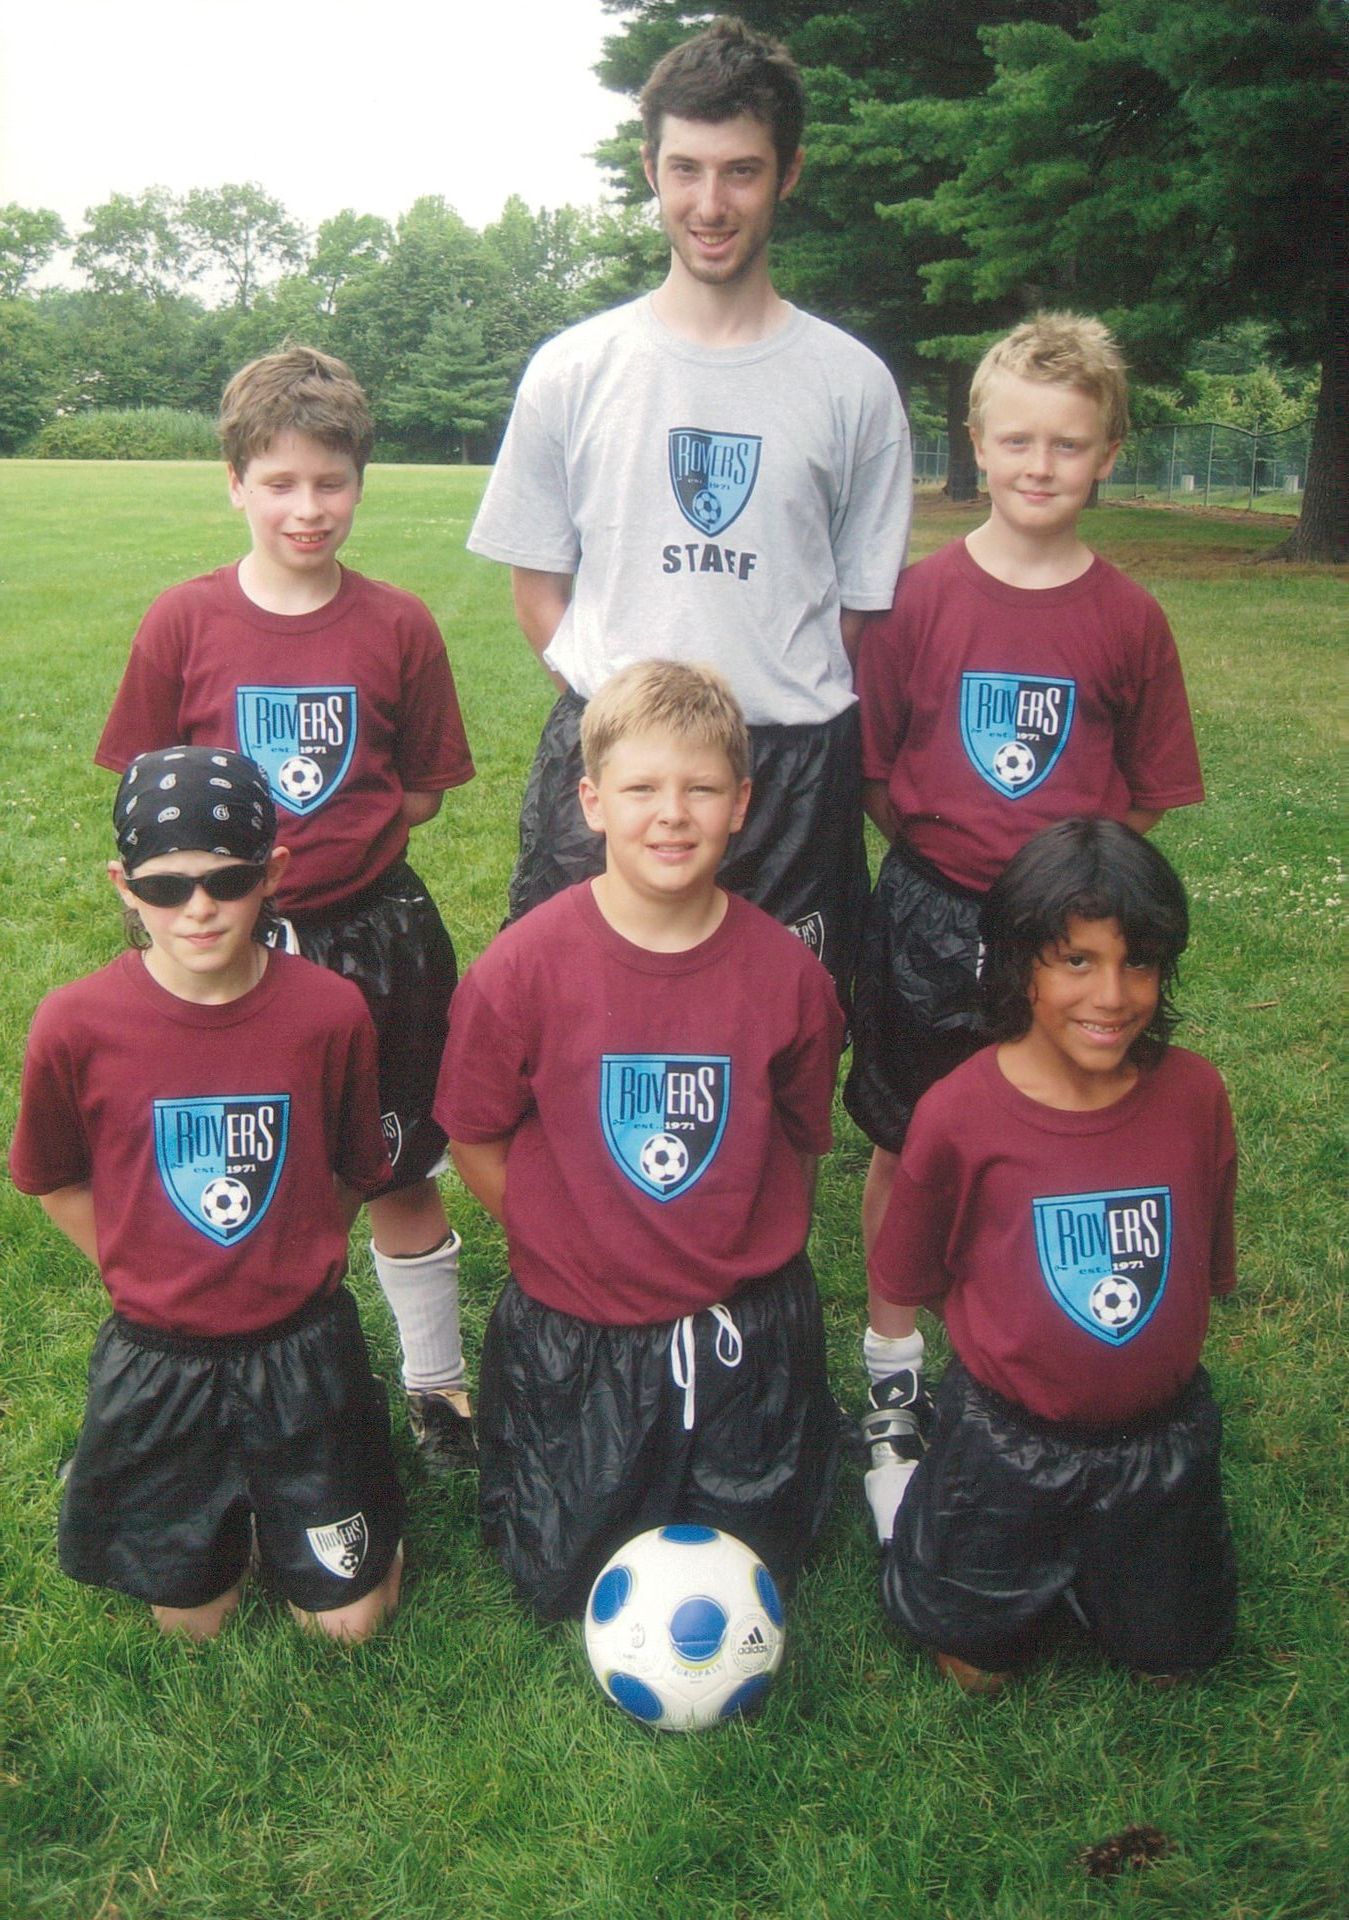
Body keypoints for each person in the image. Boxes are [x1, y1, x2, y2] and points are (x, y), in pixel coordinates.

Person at [843, 313, 1206, 1545]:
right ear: (975, 442)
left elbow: (1144, 790)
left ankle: (1011, 1361)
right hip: (929, 911)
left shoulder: (1128, 619)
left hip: (1067, 936)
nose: (1038, 465)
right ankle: (892, 1375)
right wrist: (949, 866)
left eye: (1066, 443)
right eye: (1015, 440)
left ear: (1106, 453)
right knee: (907, 1136)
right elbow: (876, 769)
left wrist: (1062, 893)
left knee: (1052, 1142)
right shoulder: (916, 599)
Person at [467, 15, 911, 998]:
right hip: (614, 755)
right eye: (686, 170)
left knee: (780, 1037)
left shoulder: (852, 385)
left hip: (790, 773)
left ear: (788, 173)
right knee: (580, 1030)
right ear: (650, 169)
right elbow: (539, 591)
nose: (710, 204)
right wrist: (628, 730)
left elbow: (854, 612)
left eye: (741, 171)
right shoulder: (574, 369)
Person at [95, 347, 478, 1469]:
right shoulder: (184, 621)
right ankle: (235, 1385)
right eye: (279, 483)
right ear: (234, 482)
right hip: (228, 943)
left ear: (360, 481)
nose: (307, 508)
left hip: (378, 936)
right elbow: (146, 795)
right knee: (247, 1164)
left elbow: (417, 790)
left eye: (330, 482)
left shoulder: (400, 624)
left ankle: (437, 1385)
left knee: (398, 1167)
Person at [435, 661, 846, 1618]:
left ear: (741, 804)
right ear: (590, 803)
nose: (671, 815)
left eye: (700, 789)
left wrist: (732, 1243)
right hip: (580, 1331)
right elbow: (475, 1134)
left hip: (739, 1331)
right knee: (558, 1581)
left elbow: (797, 1139)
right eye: (641, 790)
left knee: (760, 1562)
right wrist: (560, 1234)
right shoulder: (522, 969)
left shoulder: (787, 976)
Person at [9, 748, 405, 1642]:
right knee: (192, 1624)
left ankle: (335, 1508)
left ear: (273, 873)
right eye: (165, 886)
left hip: (301, 1347)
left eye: (227, 880)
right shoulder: (75, 1024)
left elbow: (352, 1170)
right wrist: (137, 1260)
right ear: (123, 885)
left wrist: (293, 1249)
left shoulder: (329, 1011)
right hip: (164, 1359)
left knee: (348, 1627)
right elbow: (52, 1176)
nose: (197, 908)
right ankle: (238, 1510)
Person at [869, 818, 1237, 1690]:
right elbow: (905, 1270)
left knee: (1172, 1664)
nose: (1111, 995)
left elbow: (1200, 1255)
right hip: (1008, 1442)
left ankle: (1117, 1564)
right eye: (1075, 959)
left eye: (1137, 962)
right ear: (1017, 965)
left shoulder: (1193, 1095)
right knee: (974, 1669)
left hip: (1156, 1438)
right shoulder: (960, 1112)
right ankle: (933, 1506)